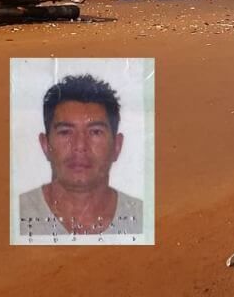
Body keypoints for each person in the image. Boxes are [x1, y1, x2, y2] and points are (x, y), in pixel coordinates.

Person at [19, 74, 144, 237]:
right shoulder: (15, 215)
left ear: (117, 146)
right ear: (45, 145)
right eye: (65, 132)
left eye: (95, 132)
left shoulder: (145, 220)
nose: (79, 146)